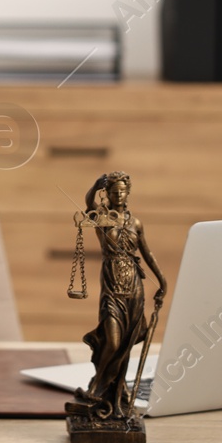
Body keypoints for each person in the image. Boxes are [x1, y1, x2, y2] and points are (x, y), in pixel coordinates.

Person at [68, 172, 166, 421]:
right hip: (111, 287)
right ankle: (97, 389)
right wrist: (93, 185)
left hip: (134, 287)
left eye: (122, 191)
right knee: (112, 342)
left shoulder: (136, 223)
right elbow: (88, 205)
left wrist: (162, 280)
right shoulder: (102, 218)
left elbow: (147, 253)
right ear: (107, 194)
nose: (119, 195)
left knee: (125, 345)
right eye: (113, 191)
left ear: (128, 192)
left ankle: (114, 397)